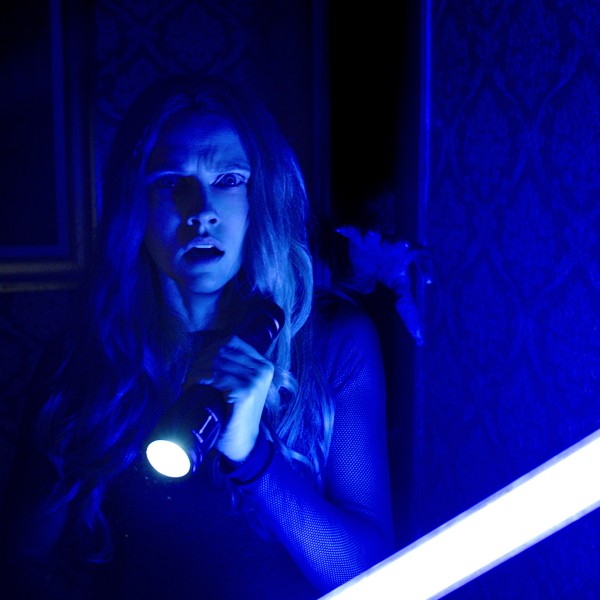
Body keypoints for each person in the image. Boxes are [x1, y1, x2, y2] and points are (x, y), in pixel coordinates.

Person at [0, 74, 393, 599]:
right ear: (135, 205)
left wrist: (252, 456)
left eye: (228, 179)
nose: (200, 211)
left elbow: (378, 582)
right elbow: (21, 564)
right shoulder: (86, 357)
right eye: (169, 182)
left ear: (260, 197)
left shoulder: (335, 343)